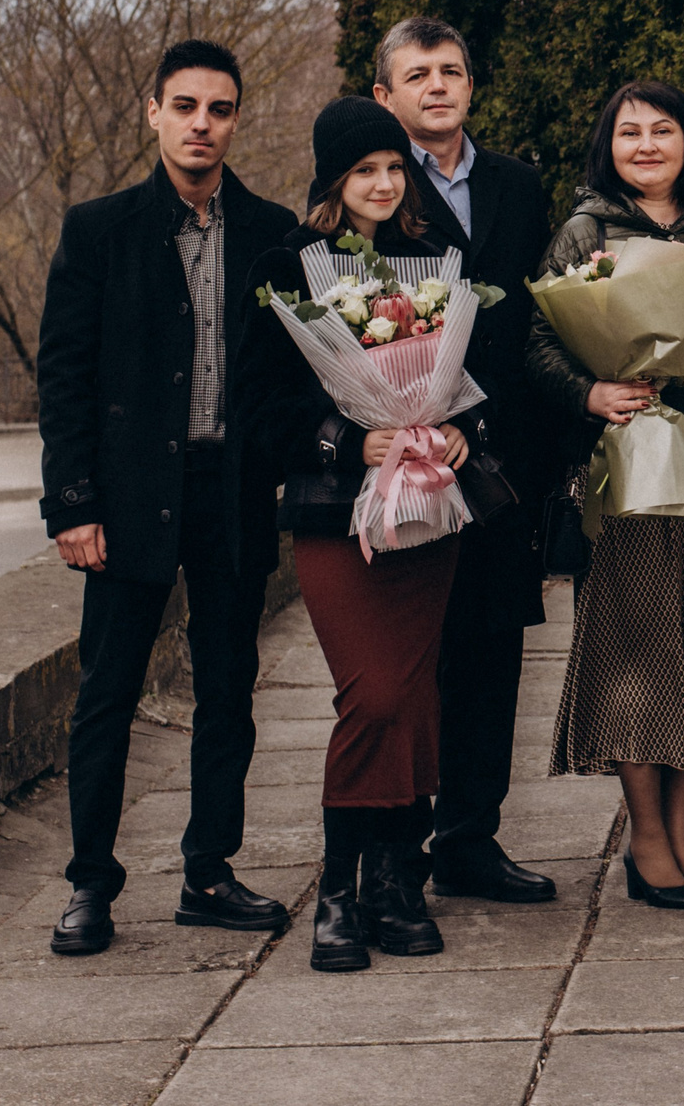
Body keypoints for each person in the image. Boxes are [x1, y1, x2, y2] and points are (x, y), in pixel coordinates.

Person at [36, 39, 300, 956]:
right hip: (128, 491)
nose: (201, 123)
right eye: (184, 105)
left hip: (229, 492)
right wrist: (71, 504)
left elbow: (289, 374)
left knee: (229, 688)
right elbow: (64, 377)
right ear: (153, 111)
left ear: (235, 119)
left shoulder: (272, 232)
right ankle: (90, 885)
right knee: (107, 691)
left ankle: (209, 872)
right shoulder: (99, 229)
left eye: (218, 108)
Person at [239, 97, 490, 971]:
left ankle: (396, 882)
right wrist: (351, 440)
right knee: (373, 694)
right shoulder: (288, 267)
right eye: (364, 170)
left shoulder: (444, 259)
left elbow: (474, 378)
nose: (383, 183)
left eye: (393, 167)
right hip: (334, 512)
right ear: (333, 181)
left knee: (416, 698)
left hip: (428, 507)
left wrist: (461, 432)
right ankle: (337, 887)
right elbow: (262, 409)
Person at [529, 81, 684, 910]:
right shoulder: (586, 231)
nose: (644, 144)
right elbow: (536, 337)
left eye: (661, 129)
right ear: (609, 144)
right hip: (629, 465)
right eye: (627, 130)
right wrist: (590, 392)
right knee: (641, 651)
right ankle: (646, 837)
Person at [371, 16, 559, 904]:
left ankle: (472, 837)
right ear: (387, 96)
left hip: (502, 460)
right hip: (412, 454)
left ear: (470, 84)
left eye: (451, 70)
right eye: (418, 75)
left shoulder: (521, 185)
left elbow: (537, 318)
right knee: (418, 654)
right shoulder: (374, 187)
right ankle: (400, 841)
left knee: (492, 653)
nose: (437, 86)